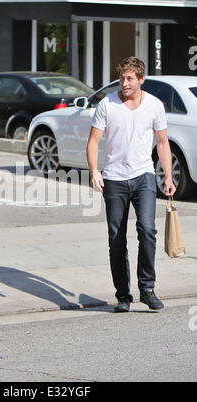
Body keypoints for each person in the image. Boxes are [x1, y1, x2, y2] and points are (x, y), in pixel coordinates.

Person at [86, 56, 176, 313]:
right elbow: (93, 141)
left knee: (147, 229)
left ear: (141, 80)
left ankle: (147, 289)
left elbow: (162, 143)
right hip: (114, 178)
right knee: (116, 238)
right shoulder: (107, 105)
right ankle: (123, 294)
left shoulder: (155, 106)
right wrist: (94, 171)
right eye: (121, 78)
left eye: (129, 79)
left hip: (144, 176)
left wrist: (167, 176)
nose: (124, 83)